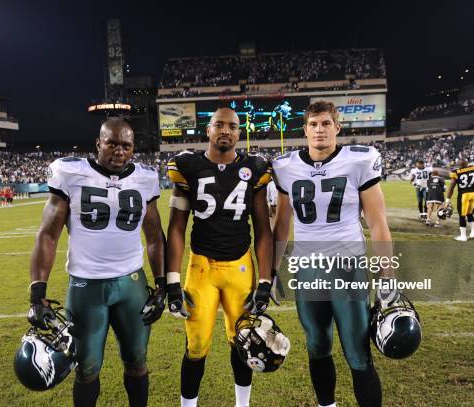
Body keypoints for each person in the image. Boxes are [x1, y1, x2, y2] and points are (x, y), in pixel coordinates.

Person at [27, 119, 166, 407]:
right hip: (85, 285)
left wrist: (162, 285)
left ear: (133, 148)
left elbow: (154, 236)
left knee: (138, 360)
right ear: (98, 144)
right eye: (112, 143)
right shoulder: (71, 173)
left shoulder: (146, 178)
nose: (118, 151)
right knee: (87, 368)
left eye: (126, 145)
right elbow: (48, 235)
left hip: (132, 284)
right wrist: (37, 293)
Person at [272, 101, 397, 407]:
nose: (319, 130)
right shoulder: (286, 167)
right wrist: (271, 272)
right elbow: (281, 226)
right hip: (308, 270)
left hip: (348, 268)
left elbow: (378, 223)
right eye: (313, 124)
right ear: (305, 130)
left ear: (337, 128)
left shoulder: (359, 161)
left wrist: (387, 276)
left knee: (358, 353)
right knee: (317, 346)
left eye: (326, 124)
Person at [166, 107, 273, 407]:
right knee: (196, 345)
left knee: (243, 342)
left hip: (240, 268)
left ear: (239, 133)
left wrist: (264, 282)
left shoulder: (255, 168)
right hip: (201, 268)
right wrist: (173, 283)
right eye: (219, 125)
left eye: (233, 126)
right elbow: (176, 228)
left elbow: (264, 230)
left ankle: (243, 405)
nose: (226, 130)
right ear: (209, 130)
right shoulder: (187, 166)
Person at [446, 159, 474, 240]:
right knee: (470, 214)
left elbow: (451, 187)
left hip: (463, 195)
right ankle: (473, 232)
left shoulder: (456, 172)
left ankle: (463, 236)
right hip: (473, 194)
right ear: (467, 163)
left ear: (459, 164)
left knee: (462, 215)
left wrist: (447, 199)